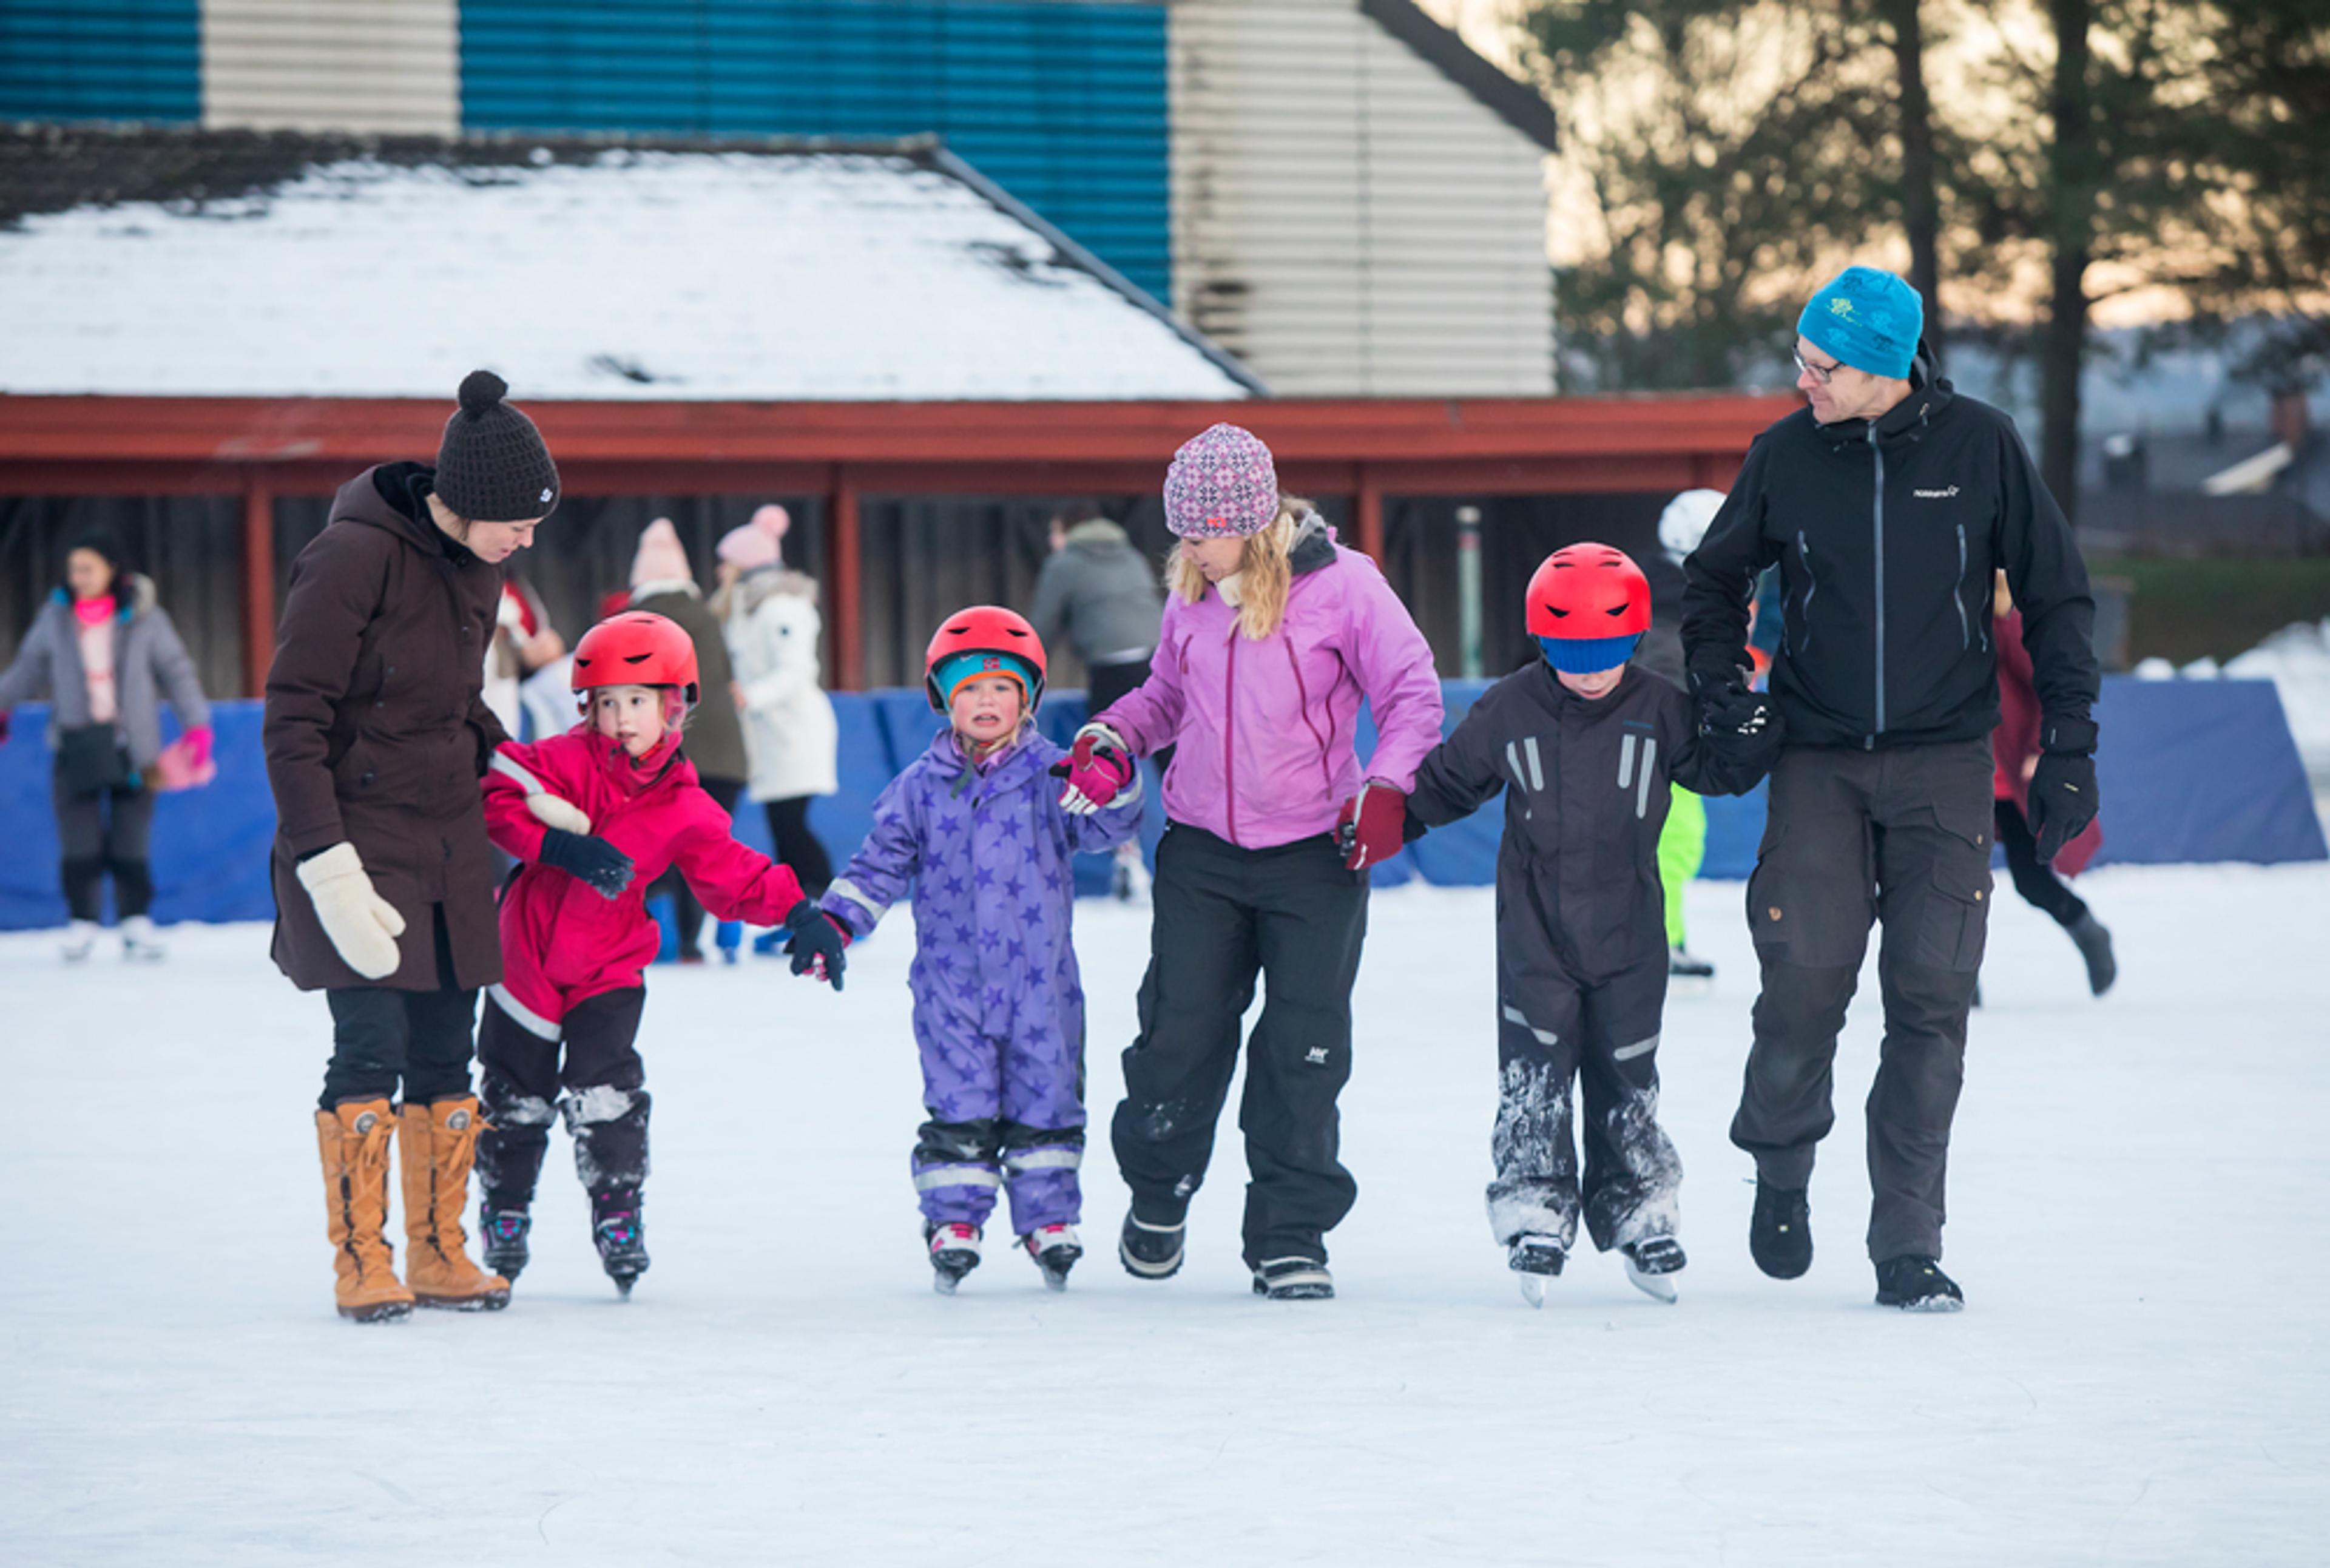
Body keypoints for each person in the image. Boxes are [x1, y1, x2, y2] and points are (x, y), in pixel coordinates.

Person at [1681, 267, 2099, 1313]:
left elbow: (2056, 596)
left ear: (1883, 366)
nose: (1803, 380)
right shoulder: (1784, 454)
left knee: (1931, 999)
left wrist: (2074, 747)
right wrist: (1726, 689)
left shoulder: (1982, 446)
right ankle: (1781, 1164)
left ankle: (1908, 1241)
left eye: (1821, 366)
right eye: (1800, 360)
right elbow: (1714, 580)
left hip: (1946, 764)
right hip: (1818, 757)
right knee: (1803, 985)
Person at [1051, 422, 1445, 1302]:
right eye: (1180, 531)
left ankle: (1290, 1232)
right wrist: (1116, 735)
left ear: (1252, 521)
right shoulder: (1194, 588)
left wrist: (1384, 789)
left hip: (1317, 850)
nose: (1185, 546)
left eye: (1200, 531)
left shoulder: (1347, 588)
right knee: (1177, 1034)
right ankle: (1159, 1194)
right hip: (1201, 849)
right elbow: (1162, 694)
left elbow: (1413, 696)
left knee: (1302, 1049)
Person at [1406, 544, 1778, 1306]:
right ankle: (1536, 1211)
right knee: (1536, 1074)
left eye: (1606, 653)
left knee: (1627, 1073)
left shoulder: (1658, 706)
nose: (1590, 670)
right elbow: (1446, 783)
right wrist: (1384, 821)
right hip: (1534, 931)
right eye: (1572, 653)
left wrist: (1747, 730)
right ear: (1543, 641)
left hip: (1630, 929)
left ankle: (1642, 1212)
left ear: (1634, 639)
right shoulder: (1511, 707)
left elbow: (1717, 771)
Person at [265, 368, 556, 1323]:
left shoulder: (481, 566)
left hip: (448, 838)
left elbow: (454, 701)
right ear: (465, 503)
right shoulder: (349, 558)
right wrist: (325, 862)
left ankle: (439, 1253)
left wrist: (515, 768)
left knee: (446, 1051)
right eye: (517, 521)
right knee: (371, 1048)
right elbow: (295, 716)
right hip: (358, 838)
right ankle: (364, 1263)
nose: (527, 539)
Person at [473, 612, 844, 1296]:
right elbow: (497, 792)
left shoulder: (683, 804)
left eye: (637, 701)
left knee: (607, 1091)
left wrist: (799, 912)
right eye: (605, 702)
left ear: (674, 707)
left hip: (607, 969)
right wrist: (558, 845)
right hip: (521, 962)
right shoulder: (561, 759)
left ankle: (618, 1212)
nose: (619, 718)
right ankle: (505, 1210)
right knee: (514, 1096)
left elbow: (733, 872)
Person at [812, 607, 1142, 1293]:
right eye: (968, 689)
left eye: (1001, 687)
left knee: (1047, 1100)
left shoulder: (1055, 774)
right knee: (958, 1102)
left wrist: (1116, 776)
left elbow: (1111, 826)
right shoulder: (918, 787)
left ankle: (1049, 1217)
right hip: (950, 986)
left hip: (1042, 988)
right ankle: (954, 1216)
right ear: (943, 698)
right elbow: (877, 867)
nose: (985, 701)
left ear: (1028, 697)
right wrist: (836, 923)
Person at [0, 529, 210, 962]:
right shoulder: (56, 617)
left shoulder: (146, 617)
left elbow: (176, 670)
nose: (78, 576)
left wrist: (197, 725)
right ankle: (82, 922)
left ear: (112, 570)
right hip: (75, 744)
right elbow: (27, 667)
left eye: (87, 567)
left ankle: (135, 922)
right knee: (80, 841)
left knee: (131, 840)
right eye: (74, 568)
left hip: (135, 748)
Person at [625, 518, 751, 963]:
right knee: (710, 847)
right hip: (727, 755)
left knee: (655, 846)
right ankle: (721, 933)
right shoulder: (709, 619)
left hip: (669, 755)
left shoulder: (633, 623)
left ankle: (660, 936)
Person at [1030, 504, 1168, 899]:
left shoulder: (1065, 564)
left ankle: (1127, 859)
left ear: (1066, 533)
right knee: (1172, 762)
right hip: (1160, 665)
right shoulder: (1130, 554)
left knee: (1108, 765)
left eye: (1054, 535)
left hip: (1111, 668)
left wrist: (1024, 686)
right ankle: (1199, 846)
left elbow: (1042, 626)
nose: (1053, 544)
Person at [1990, 572, 2115, 995]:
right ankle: (1955, 985)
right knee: (1951, 887)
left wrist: (2041, 750)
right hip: (1957, 777)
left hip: (2009, 777)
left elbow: (2050, 688)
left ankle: (2088, 932)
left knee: (2033, 880)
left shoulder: (2011, 626)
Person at [713, 506, 839, 907]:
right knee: (782, 824)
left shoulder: (781, 607)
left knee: (791, 824)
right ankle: (800, 907)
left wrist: (752, 695)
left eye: (726, 563)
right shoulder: (748, 609)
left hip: (793, 732)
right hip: (771, 734)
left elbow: (797, 668)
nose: (720, 571)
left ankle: (826, 903)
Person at [1647, 488, 1731, 982]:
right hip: (1665, 750)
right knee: (1670, 844)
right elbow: (1666, 679)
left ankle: (1666, 938)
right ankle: (1658, 942)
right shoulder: (1675, 608)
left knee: (1679, 843)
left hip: (1674, 748)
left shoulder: (1678, 601)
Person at [482, 573, 564, 740]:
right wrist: (523, 654)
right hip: (496, 698)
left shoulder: (512, 579)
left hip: (531, 697)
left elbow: (538, 627)